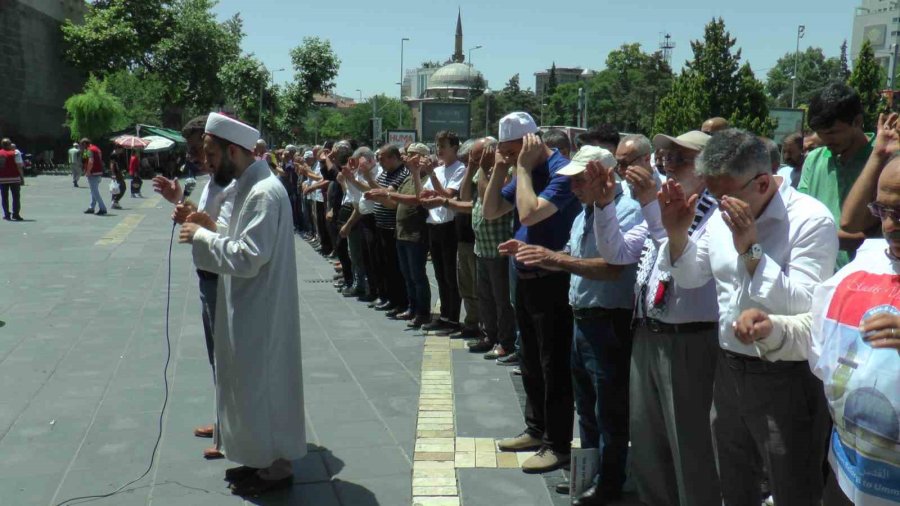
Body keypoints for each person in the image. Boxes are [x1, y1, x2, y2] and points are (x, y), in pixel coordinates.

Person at [658, 128, 838, 505]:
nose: (718, 204)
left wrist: (751, 249)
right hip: (728, 369)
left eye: (725, 195)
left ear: (761, 183)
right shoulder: (723, 214)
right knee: (734, 480)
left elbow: (804, 306)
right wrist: (677, 234)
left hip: (786, 374)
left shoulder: (810, 220)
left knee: (792, 486)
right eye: (712, 193)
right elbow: (691, 276)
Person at [734, 151, 900, 506]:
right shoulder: (866, 264)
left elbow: (795, 295)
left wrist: (751, 250)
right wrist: (773, 329)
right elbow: (822, 330)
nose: (889, 226)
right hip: (851, 475)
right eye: (882, 212)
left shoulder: (809, 221)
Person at [177, 113, 305, 496]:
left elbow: (250, 256)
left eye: (212, 153)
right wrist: (209, 228)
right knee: (249, 388)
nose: (209, 162)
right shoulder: (250, 186)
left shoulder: (264, 191)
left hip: (259, 309)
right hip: (249, 303)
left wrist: (201, 235)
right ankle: (259, 459)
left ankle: (276, 467)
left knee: (262, 387)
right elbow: (239, 239)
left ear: (234, 150)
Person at [594, 130, 722, 505]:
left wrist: (651, 204)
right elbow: (617, 252)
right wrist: (603, 207)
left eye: (678, 159)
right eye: (665, 158)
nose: (666, 165)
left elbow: (677, 252)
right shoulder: (667, 205)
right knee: (648, 444)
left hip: (690, 340)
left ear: (706, 168)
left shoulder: (715, 213)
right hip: (648, 334)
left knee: (689, 448)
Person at [516, 146, 641, 504]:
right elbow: (573, 258)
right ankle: (590, 475)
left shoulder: (628, 211)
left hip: (609, 323)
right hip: (584, 319)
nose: (573, 188)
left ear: (604, 175)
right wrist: (538, 256)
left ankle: (609, 483)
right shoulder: (584, 213)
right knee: (586, 407)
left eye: (579, 180)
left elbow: (611, 267)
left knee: (609, 411)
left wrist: (553, 258)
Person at [484, 112, 581, 474]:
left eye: (510, 151)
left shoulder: (562, 172)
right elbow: (493, 209)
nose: (507, 158)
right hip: (525, 278)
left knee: (553, 364)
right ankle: (536, 429)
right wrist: (499, 169)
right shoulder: (520, 168)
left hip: (553, 280)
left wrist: (521, 169)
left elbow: (528, 215)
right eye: (503, 153)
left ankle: (557, 444)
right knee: (530, 360)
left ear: (530, 142)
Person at [152, 114, 236, 459]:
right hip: (208, 275)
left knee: (228, 358)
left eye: (200, 149)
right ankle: (225, 420)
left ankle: (232, 430)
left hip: (224, 279)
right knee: (217, 358)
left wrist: (196, 221)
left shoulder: (236, 184)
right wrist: (180, 205)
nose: (196, 156)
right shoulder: (213, 180)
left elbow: (230, 236)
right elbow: (204, 220)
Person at [800, 82, 873, 270]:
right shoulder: (814, 160)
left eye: (832, 133)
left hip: (866, 278)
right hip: (818, 275)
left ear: (857, 122)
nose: (825, 140)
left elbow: (882, 235)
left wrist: (819, 237)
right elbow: (802, 216)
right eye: (820, 133)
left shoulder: (884, 162)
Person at [374, 142, 432, 327]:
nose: (408, 157)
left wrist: (390, 195)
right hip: (401, 233)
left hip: (416, 234)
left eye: (414, 155)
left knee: (417, 276)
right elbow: (394, 202)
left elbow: (418, 199)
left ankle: (423, 312)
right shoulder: (407, 179)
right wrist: (379, 194)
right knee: (407, 275)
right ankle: (412, 307)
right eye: (408, 154)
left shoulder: (424, 178)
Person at [418, 131, 467, 332]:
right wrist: (418, 173)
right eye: (437, 147)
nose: (439, 151)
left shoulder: (459, 169)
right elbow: (423, 196)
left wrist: (431, 175)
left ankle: (453, 318)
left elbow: (447, 195)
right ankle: (445, 315)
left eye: (443, 146)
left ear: (455, 148)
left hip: (449, 227)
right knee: (439, 275)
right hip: (433, 225)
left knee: (450, 276)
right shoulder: (438, 170)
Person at [363, 145, 411, 317]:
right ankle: (390, 298)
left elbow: (387, 194)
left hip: (392, 226)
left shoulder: (402, 173)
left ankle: (400, 301)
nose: (380, 161)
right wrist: (370, 182)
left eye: (383, 158)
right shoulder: (385, 173)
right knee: (384, 265)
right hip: (381, 225)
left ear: (393, 157)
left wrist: (371, 183)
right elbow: (379, 190)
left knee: (395, 267)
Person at [81, 138, 107, 216]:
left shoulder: (89, 150)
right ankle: (91, 207)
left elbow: (91, 161)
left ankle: (103, 208)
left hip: (93, 172)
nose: (82, 147)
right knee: (93, 190)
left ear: (85, 144)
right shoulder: (97, 149)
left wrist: (88, 171)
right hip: (99, 172)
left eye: (82, 145)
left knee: (95, 191)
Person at [0, 138, 24, 221]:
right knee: (16, 197)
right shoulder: (16, 153)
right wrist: (22, 178)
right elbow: (19, 166)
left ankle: (6, 214)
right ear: (10, 144)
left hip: (2, 179)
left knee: (4, 197)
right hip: (14, 178)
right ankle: (16, 214)